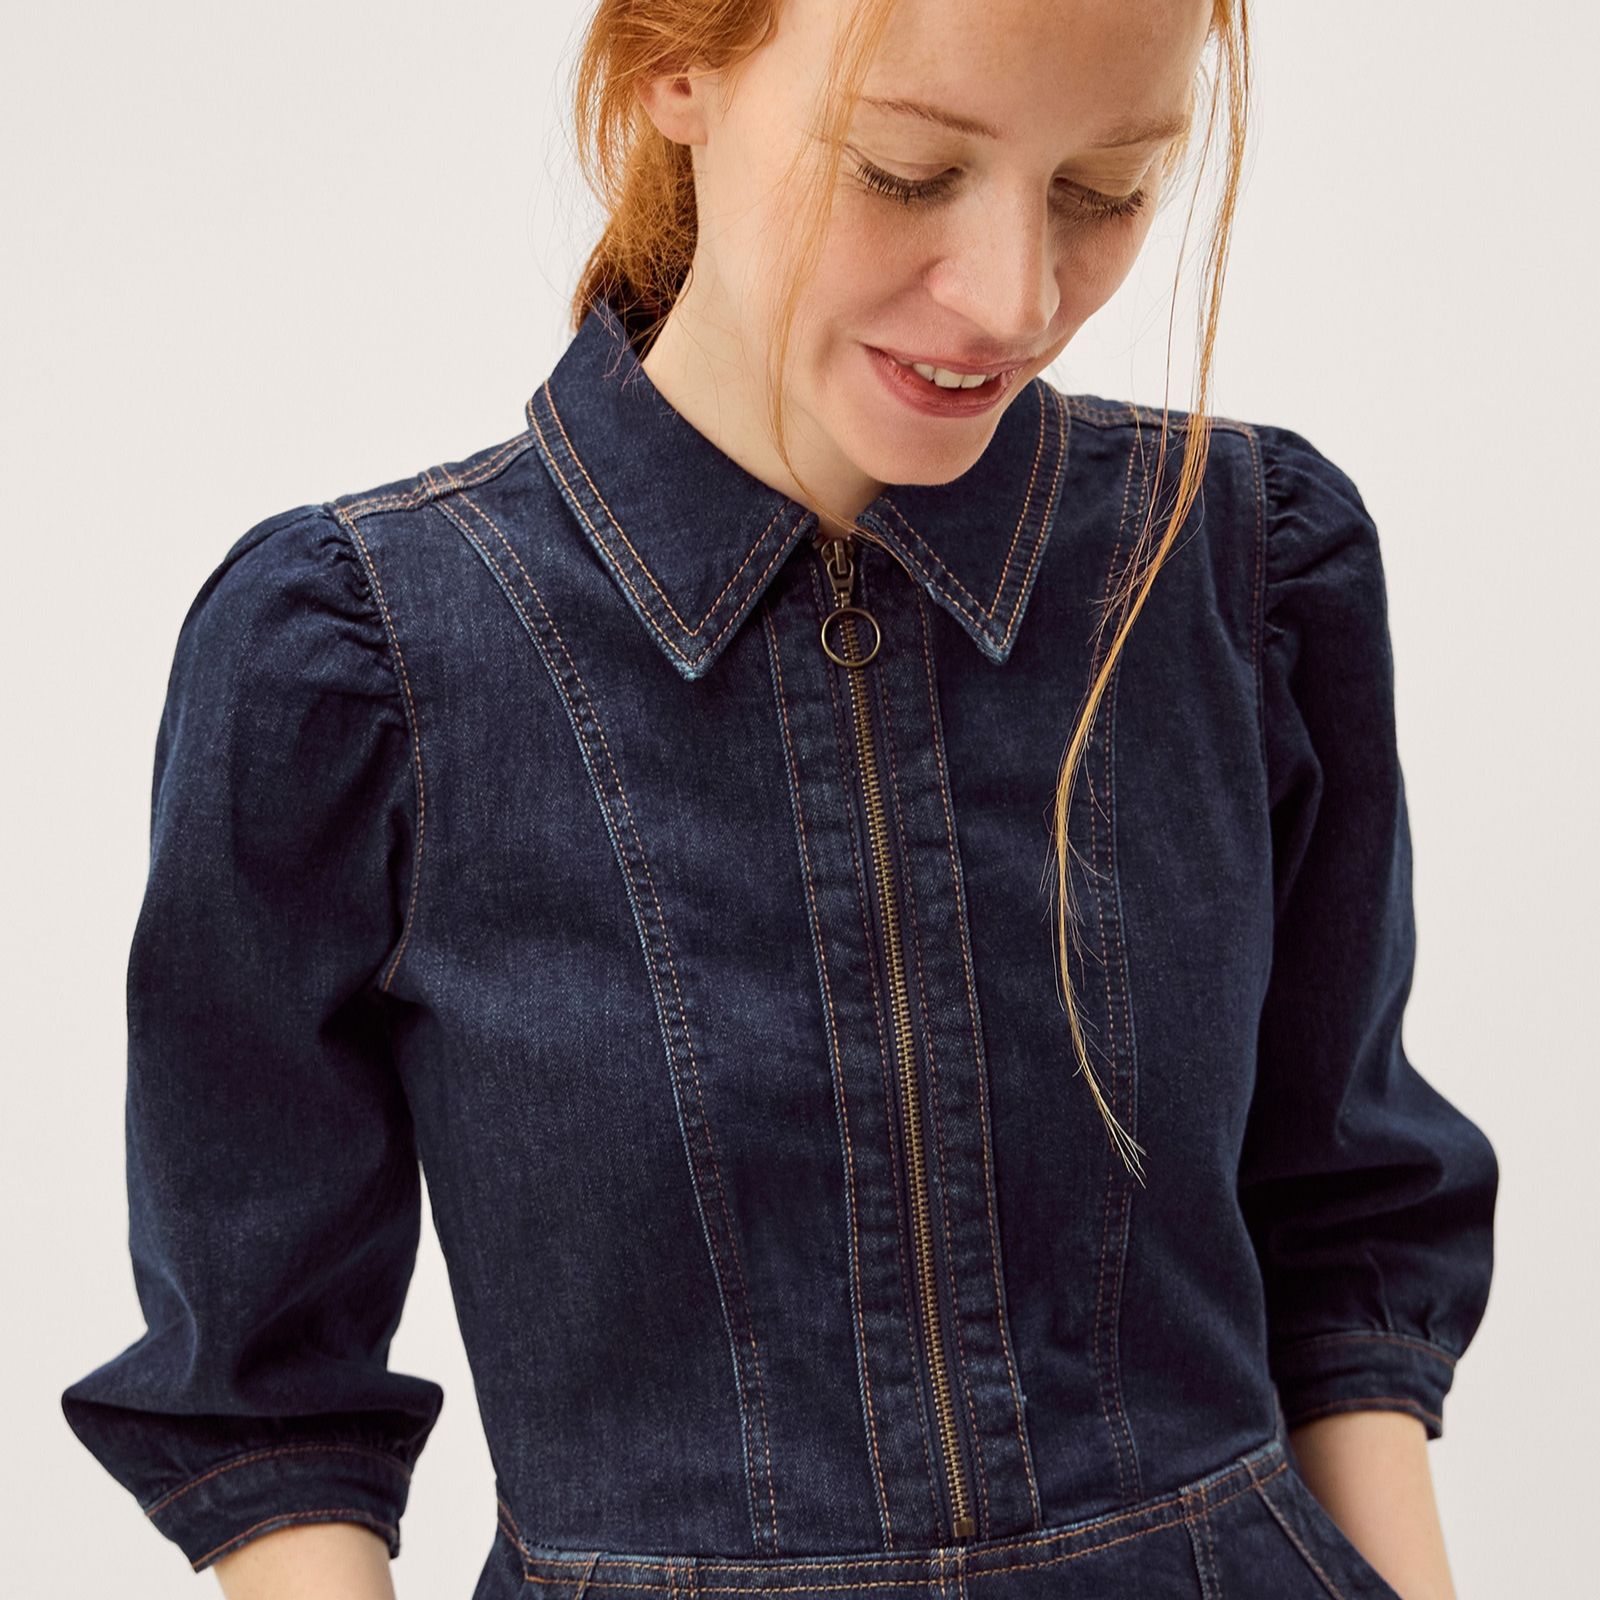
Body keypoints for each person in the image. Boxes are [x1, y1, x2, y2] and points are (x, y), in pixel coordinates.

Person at [60, 1, 1499, 1597]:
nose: (1015, 298)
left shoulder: (1243, 569)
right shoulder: (361, 661)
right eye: (904, 171)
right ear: (674, 65)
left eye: (1103, 190)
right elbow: (267, 1390)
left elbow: (1343, 1239)